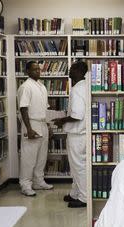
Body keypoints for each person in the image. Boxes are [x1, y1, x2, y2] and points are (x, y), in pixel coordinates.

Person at [53, 61, 88, 208]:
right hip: (84, 133)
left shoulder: (76, 89)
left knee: (78, 167)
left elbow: (77, 115)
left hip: (77, 135)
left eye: (72, 68)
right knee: (77, 167)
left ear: (79, 71)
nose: (69, 69)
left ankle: (84, 198)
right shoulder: (86, 86)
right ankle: (76, 193)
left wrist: (61, 120)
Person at [17, 61, 53, 196]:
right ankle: (25, 185)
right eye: (34, 69)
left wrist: (48, 126)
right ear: (27, 71)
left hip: (42, 123)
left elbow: (45, 109)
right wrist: (29, 129)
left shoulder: (42, 87)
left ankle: (39, 181)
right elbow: (23, 108)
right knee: (29, 156)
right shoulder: (25, 87)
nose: (38, 71)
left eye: (39, 69)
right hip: (31, 124)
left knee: (41, 156)